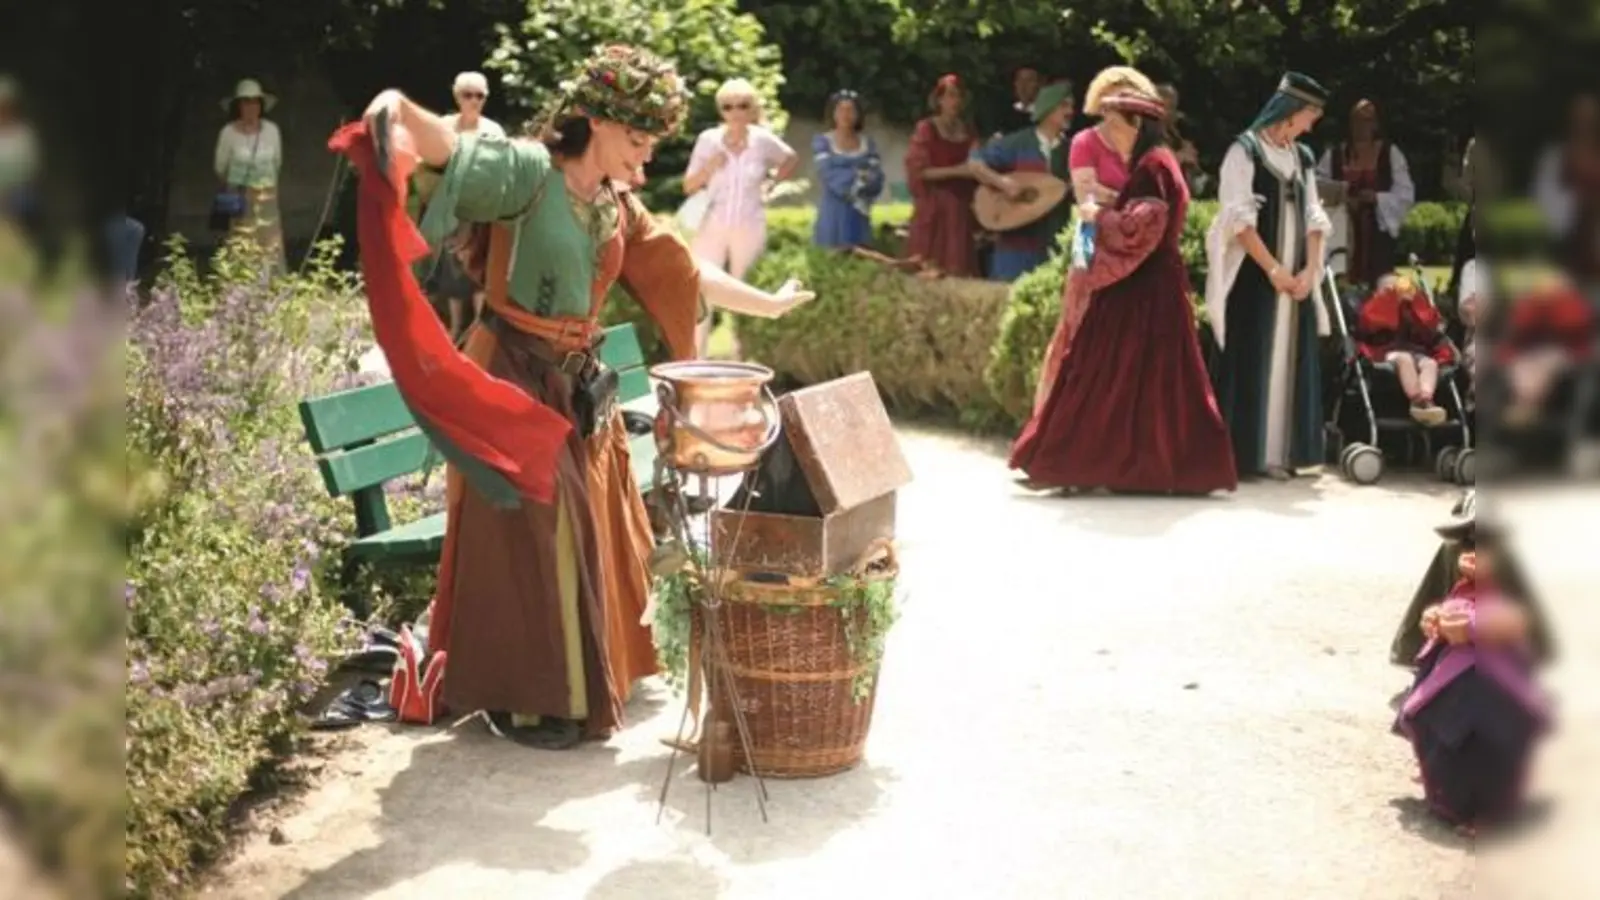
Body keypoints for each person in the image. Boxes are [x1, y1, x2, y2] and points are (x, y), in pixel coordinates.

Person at [340, 45, 815, 750]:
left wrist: (768, 307)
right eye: (636, 141)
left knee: (597, 518)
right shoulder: (529, 173)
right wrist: (394, 106)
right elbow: (448, 147)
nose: (644, 161)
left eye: (652, 146)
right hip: (511, 373)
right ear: (593, 122)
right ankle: (537, 699)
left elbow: (682, 271)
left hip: (579, 383)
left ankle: (584, 680)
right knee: (544, 525)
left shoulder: (616, 204)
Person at [1009, 87, 1236, 495]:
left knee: (1097, 373)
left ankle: (1065, 465)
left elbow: (1139, 229)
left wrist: (1098, 214)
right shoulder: (1155, 162)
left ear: (1137, 124)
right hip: (1151, 286)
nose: (1108, 132)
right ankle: (1144, 469)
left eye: (1115, 123)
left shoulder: (1153, 167)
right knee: (1146, 381)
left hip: (1138, 288)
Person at [1204, 73, 1335, 481]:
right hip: (1255, 279)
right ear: (1291, 112)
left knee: (1290, 359)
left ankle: (1284, 453)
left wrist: (1309, 271)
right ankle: (1249, 454)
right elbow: (1238, 222)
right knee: (1255, 356)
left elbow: (1315, 216)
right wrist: (1274, 270)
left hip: (1296, 278)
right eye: (1309, 115)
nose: (1311, 125)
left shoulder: (1304, 157)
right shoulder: (1243, 152)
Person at [1395, 507, 1550, 837]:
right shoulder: (1467, 581)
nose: (1472, 553)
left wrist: (1478, 626)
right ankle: (1445, 786)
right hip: (1459, 667)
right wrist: (1439, 620)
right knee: (1435, 716)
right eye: (1469, 544)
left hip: (1504, 675)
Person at [1028, 67, 1157, 411]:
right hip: (1091, 240)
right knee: (1078, 324)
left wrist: (1125, 202)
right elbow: (1086, 193)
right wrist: (1133, 201)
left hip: (1136, 243)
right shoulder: (1085, 141)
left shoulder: (1146, 144)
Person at [683, 78, 798, 355]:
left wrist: (770, 183)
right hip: (712, 224)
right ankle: (696, 358)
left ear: (752, 109)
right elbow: (689, 185)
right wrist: (710, 165)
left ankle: (742, 356)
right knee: (700, 288)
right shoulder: (708, 139)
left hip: (749, 222)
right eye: (728, 106)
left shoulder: (761, 140)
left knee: (746, 289)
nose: (735, 112)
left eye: (742, 106)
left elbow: (790, 158)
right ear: (720, 110)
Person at [968, 79, 1076, 281]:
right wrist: (1003, 183)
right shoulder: (1017, 143)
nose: (1070, 111)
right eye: (1064, 105)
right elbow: (975, 162)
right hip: (1016, 246)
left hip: (1053, 241)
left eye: (1071, 106)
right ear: (1048, 109)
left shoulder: (1072, 150)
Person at [1317, 99, 1416, 288]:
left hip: (1377, 233)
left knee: (1379, 282)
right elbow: (1317, 185)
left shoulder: (1390, 154)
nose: (1361, 126)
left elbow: (1405, 194)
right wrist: (1342, 195)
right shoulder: (1335, 155)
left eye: (1367, 121)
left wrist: (1377, 198)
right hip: (1341, 230)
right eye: (1356, 120)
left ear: (1375, 124)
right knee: (1341, 279)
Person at [904, 74, 982, 277]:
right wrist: (959, 170)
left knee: (958, 266)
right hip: (933, 208)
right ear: (939, 99)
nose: (955, 101)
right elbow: (919, 171)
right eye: (950, 96)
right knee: (929, 266)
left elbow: (977, 166)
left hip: (960, 209)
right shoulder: (926, 129)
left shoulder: (969, 131)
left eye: (959, 96)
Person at [1352, 274, 1455, 425]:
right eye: (1388, 290)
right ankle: (1416, 399)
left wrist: (1415, 301)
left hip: (1414, 351)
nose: (1394, 294)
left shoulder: (1408, 309)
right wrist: (1388, 300)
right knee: (1404, 359)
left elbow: (1428, 325)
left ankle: (1426, 398)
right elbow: (1370, 323)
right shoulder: (1372, 308)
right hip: (1383, 352)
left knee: (1430, 364)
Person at [212, 78, 285, 270]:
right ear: (238, 106)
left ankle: (271, 290)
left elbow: (277, 162)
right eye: (246, 101)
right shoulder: (228, 133)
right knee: (240, 243)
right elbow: (220, 167)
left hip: (267, 196)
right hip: (239, 197)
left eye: (255, 101)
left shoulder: (272, 130)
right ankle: (238, 292)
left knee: (269, 244)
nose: (251, 106)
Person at [811, 89, 884, 249]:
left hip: (859, 211)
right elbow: (829, 174)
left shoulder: (868, 144)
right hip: (833, 210)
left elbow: (876, 177)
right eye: (841, 110)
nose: (846, 114)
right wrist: (859, 178)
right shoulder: (823, 142)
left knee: (860, 253)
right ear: (833, 113)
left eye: (851, 110)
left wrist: (865, 182)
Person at [1156, 83, 1205, 194]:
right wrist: (1181, 157)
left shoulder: (1172, 131)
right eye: (1168, 107)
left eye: (1174, 107)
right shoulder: (1147, 131)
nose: (1172, 113)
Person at [441, 71, 505, 138]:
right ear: (457, 97)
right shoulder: (444, 126)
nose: (474, 101)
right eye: (468, 95)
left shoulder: (494, 130)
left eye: (480, 96)